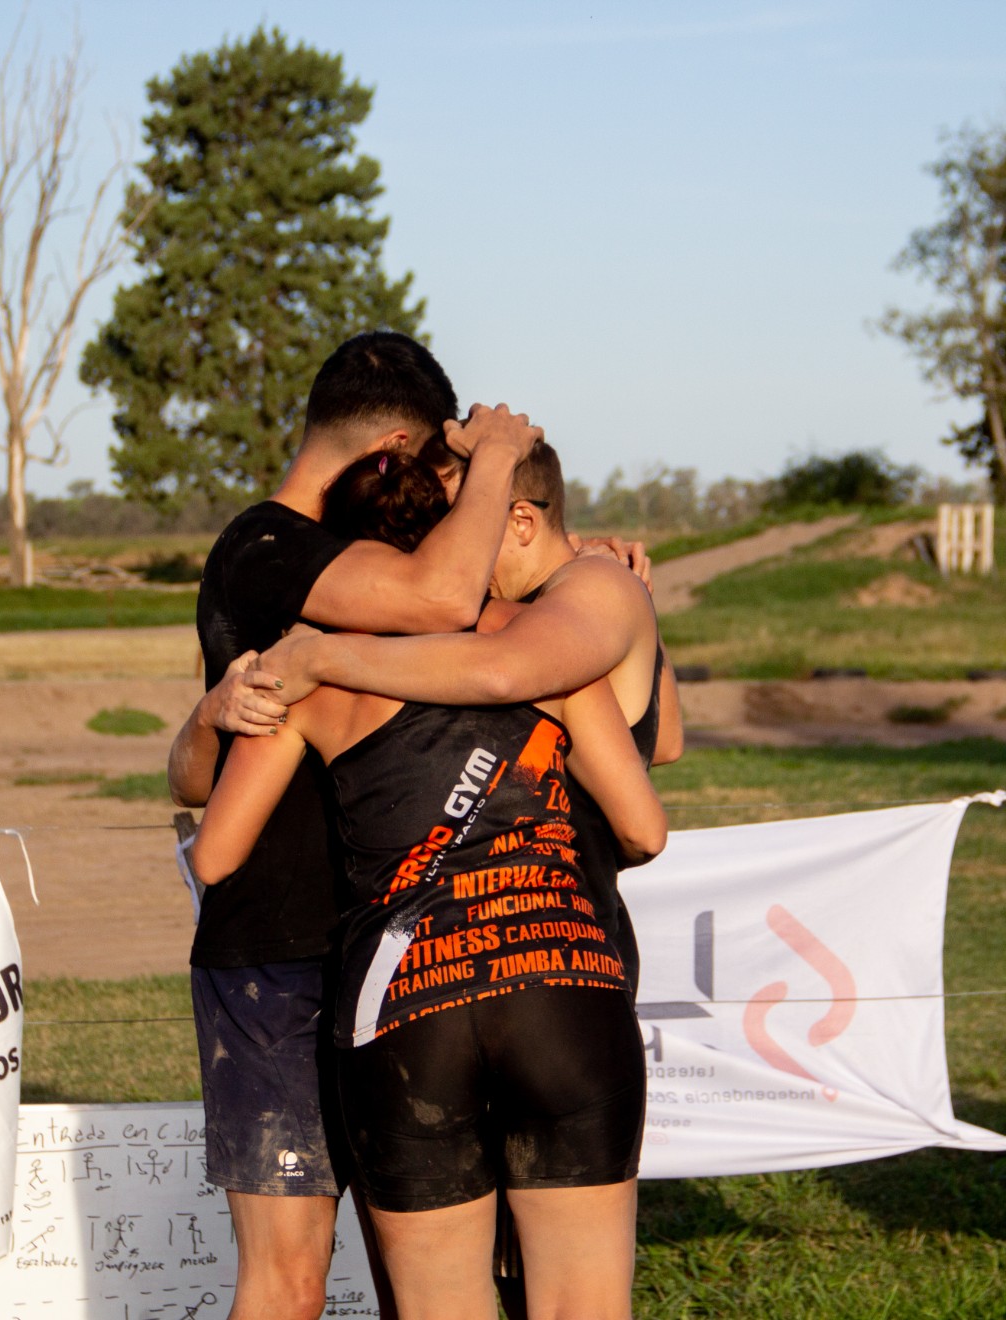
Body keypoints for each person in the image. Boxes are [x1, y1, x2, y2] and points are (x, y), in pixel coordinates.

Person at [188, 448, 666, 1320]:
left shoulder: (313, 671)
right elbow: (645, 827)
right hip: (560, 982)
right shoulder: (545, 649)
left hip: (408, 1006)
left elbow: (214, 857)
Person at [167, 331, 542, 1320]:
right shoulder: (269, 551)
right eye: (424, 470)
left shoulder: (348, 560)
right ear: (385, 455)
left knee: (422, 1275)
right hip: (277, 958)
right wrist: (496, 458)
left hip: (397, 950)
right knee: (289, 1282)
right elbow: (443, 596)